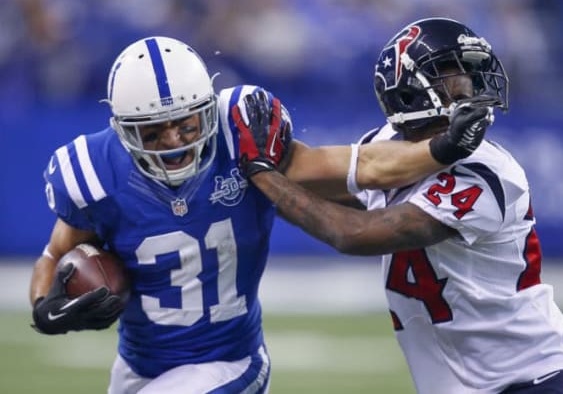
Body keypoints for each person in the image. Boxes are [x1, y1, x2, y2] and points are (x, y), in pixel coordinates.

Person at [28, 35, 494, 394]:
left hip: (228, 361)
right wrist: (44, 305)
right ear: (123, 129)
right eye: (153, 131)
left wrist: (442, 148)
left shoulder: (240, 135)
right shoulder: (94, 173)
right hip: (138, 365)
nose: (173, 141)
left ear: (207, 108)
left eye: (186, 123)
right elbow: (55, 253)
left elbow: (362, 165)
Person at [233, 18, 563, 394]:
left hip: (538, 378)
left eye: (468, 74)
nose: (468, 87)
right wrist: (240, 148)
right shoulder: (387, 144)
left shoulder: (486, 172)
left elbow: (354, 234)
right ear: (409, 91)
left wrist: (263, 176)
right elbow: (308, 179)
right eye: (451, 76)